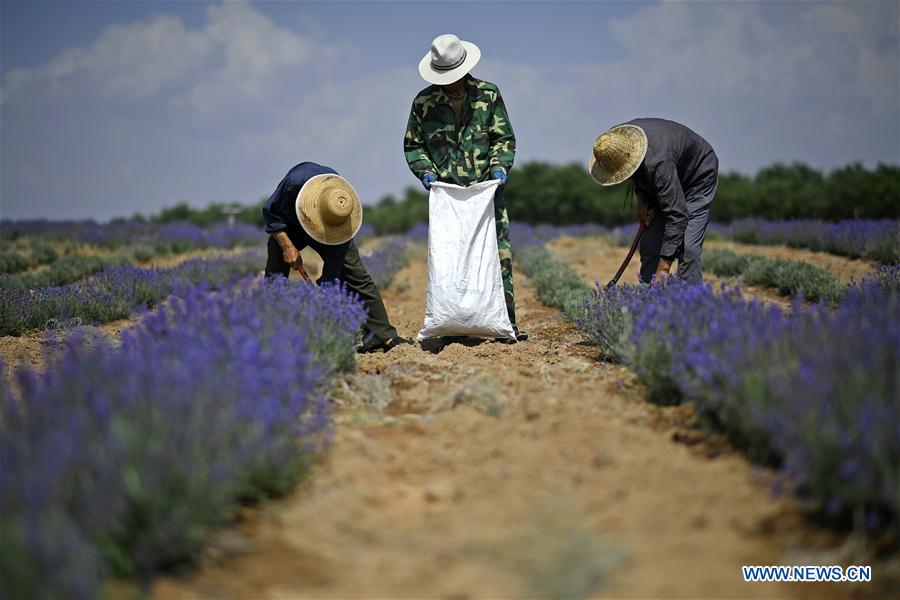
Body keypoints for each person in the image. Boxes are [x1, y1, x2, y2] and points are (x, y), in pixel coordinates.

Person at [403, 34, 527, 342]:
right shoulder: (424, 103)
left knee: (498, 259)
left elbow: (503, 139)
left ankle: (504, 324)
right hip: (447, 197)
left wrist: (499, 166)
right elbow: (413, 145)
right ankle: (449, 324)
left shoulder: (488, 95)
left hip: (486, 193)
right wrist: (427, 173)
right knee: (447, 259)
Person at [262, 162, 413, 353]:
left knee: (357, 275)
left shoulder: (340, 206)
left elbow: (334, 269)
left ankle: (382, 334)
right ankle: (269, 331)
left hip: (330, 227)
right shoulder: (294, 183)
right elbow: (270, 213)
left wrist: (326, 294)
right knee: (275, 275)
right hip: (290, 223)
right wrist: (287, 246)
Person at [589, 118, 719, 284]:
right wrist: (641, 200)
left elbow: (677, 214)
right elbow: (634, 171)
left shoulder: (658, 163)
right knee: (650, 245)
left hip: (697, 177)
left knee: (689, 249)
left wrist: (664, 268)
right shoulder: (612, 142)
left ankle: (692, 304)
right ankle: (649, 300)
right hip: (665, 176)